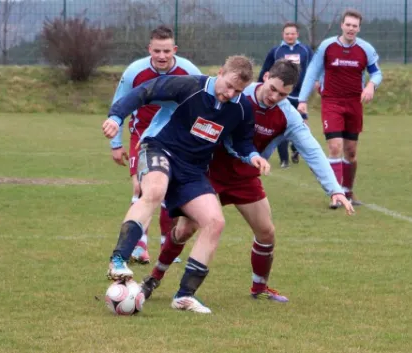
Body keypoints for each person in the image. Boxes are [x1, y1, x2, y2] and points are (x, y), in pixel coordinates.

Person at [140, 59, 354, 306]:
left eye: (283, 94)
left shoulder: (288, 116)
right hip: (209, 170)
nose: (275, 97)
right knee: (185, 230)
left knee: (266, 232)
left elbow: (312, 150)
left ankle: (259, 288)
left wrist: (334, 189)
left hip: (245, 178)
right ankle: (154, 277)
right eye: (273, 89)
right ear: (264, 78)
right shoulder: (238, 94)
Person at [102, 55, 270, 313]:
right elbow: (144, 92)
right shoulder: (189, 86)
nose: (230, 93)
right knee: (155, 189)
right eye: (229, 85)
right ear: (220, 71)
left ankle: (184, 296)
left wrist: (253, 155)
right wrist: (116, 117)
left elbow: (242, 141)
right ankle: (119, 260)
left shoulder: (241, 107)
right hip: (160, 148)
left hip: (193, 169)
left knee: (215, 222)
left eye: (238, 90)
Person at [110, 25, 201, 265]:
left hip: (176, 137)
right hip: (141, 136)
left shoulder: (189, 71)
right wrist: (115, 143)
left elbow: (203, 101)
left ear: (175, 50)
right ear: (149, 49)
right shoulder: (134, 71)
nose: (161, 56)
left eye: (166, 51)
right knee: (141, 188)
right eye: (157, 50)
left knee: (166, 192)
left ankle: (165, 243)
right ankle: (138, 246)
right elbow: (119, 104)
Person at [297, 9, 382, 208]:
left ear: (359, 28)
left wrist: (371, 85)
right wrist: (302, 100)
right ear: (342, 25)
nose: (351, 29)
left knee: (351, 152)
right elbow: (312, 72)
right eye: (348, 25)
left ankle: (348, 191)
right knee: (335, 147)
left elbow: (377, 73)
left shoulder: (365, 49)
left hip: (354, 103)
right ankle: (336, 195)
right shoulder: (327, 46)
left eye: (355, 26)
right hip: (332, 101)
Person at [258, 22, 313, 168]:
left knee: (303, 127)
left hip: (300, 97)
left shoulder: (305, 50)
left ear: (297, 34)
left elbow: (314, 69)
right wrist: (258, 86)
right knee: (281, 126)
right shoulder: (276, 51)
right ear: (283, 35)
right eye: (287, 33)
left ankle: (296, 149)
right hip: (282, 96)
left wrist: (318, 81)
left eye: (293, 33)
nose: (290, 36)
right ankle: (284, 160)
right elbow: (265, 69)